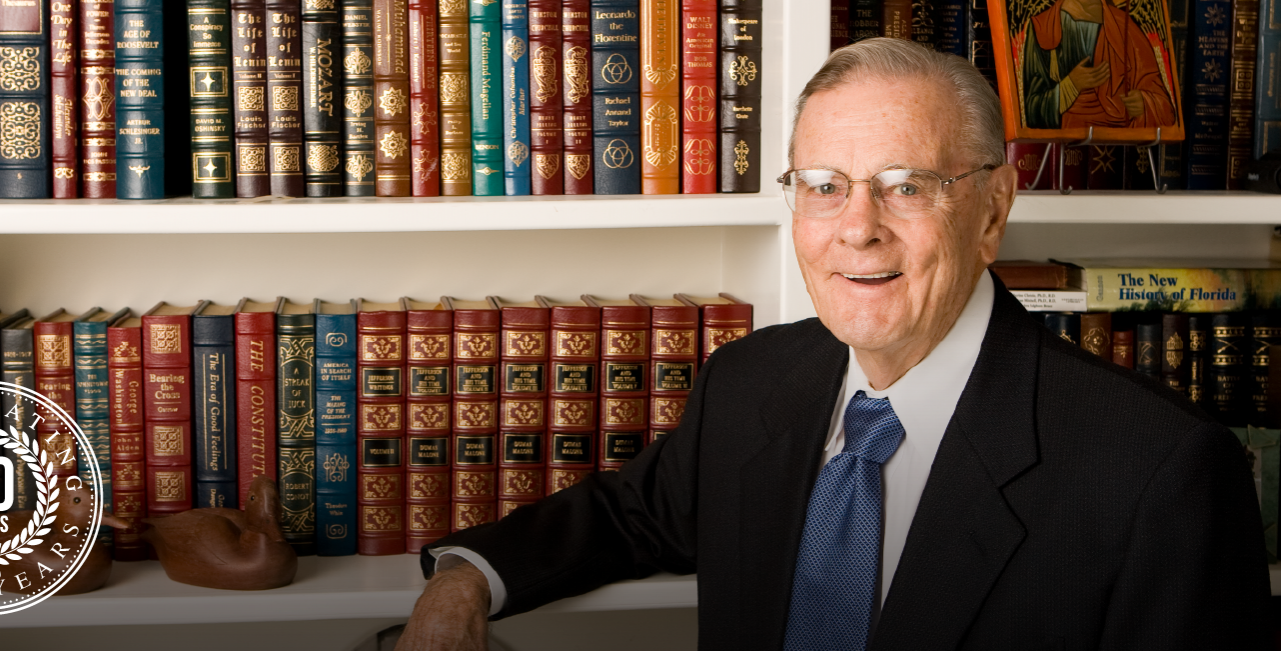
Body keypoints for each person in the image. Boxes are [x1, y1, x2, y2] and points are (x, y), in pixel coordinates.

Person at [396, 38, 1270, 650]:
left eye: (907, 186)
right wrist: (463, 582)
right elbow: (630, 513)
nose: (858, 230)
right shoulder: (752, 382)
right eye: (824, 187)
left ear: (994, 209)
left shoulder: (1161, 473)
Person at [1021, 0, 1177, 129]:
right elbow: (1031, 111)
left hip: (1122, 144)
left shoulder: (1125, 27)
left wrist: (1145, 102)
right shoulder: (1042, 29)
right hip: (1067, 140)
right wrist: (1070, 86)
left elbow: (1163, 103)